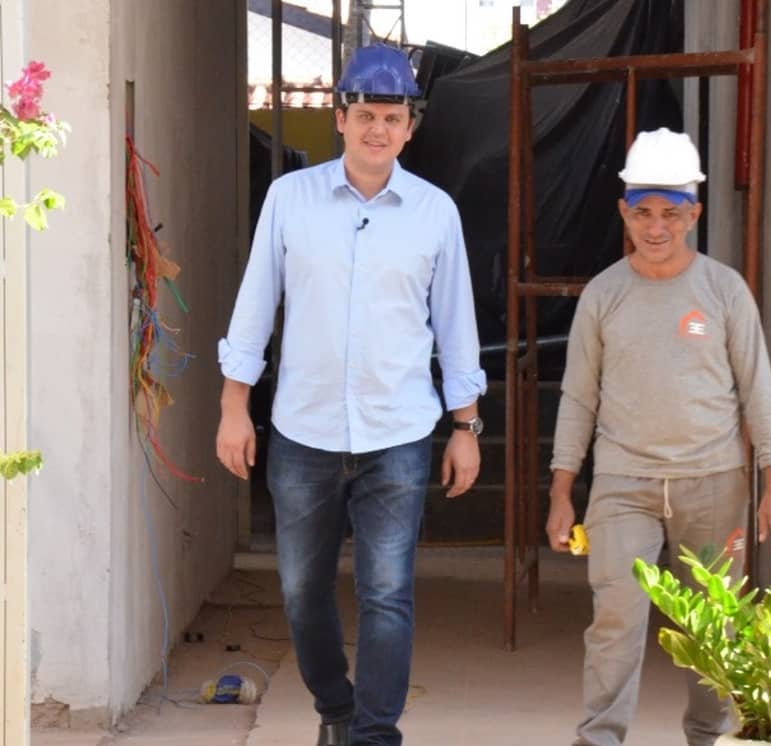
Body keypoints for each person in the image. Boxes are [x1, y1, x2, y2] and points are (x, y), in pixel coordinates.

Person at [216, 44, 487, 746]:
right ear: (340, 117)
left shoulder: (434, 213)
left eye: (392, 117)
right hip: (303, 434)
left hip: (397, 435)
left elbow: (456, 325)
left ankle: (373, 734)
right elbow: (255, 306)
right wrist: (233, 407)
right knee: (301, 593)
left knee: (386, 595)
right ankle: (336, 708)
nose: (378, 129)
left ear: (410, 126)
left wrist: (465, 427)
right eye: (365, 114)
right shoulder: (290, 200)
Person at [546, 127, 771, 746]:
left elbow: (757, 390)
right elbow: (578, 397)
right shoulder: (604, 294)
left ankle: (709, 736)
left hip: (713, 483)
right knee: (615, 617)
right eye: (643, 213)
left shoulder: (724, 290)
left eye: (671, 213)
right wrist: (561, 491)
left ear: (694, 214)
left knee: (712, 626)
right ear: (624, 212)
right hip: (622, 483)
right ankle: (599, 738)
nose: (656, 227)